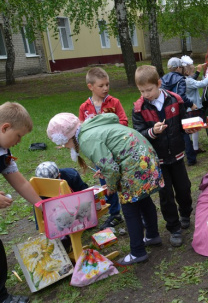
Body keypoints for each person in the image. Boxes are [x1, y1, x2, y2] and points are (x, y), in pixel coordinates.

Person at [46, 112, 164, 265]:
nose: (64, 147)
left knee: (129, 208)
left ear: (68, 137)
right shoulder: (90, 128)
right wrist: (107, 169)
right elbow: (112, 152)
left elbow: (111, 168)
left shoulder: (86, 139)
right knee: (143, 199)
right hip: (145, 157)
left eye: (63, 143)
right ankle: (152, 235)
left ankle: (138, 252)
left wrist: (111, 186)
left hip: (134, 164)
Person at [132, 65, 196, 247]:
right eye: (142, 91)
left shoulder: (175, 100)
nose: (146, 94)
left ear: (159, 84)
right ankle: (174, 227)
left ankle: (185, 213)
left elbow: (184, 122)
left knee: (184, 188)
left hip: (176, 155)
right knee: (165, 195)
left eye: (149, 89)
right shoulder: (138, 109)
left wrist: (191, 127)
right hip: (157, 160)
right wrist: (152, 131)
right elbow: (139, 134)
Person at [0, 102, 43, 303]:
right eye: (18, 136)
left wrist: (41, 205)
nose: (19, 141)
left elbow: (20, 182)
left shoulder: (4, 152)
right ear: (5, 128)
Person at [79, 67, 126, 230]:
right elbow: (81, 130)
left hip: (118, 151)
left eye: (107, 84)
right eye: (101, 85)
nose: (105, 88)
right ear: (90, 86)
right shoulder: (84, 108)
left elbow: (124, 122)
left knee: (125, 180)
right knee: (107, 184)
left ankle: (133, 209)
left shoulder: (114, 102)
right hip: (100, 155)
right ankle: (115, 214)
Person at [160, 57, 198, 166]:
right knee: (185, 132)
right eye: (181, 67)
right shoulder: (181, 79)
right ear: (178, 68)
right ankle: (191, 158)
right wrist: (191, 104)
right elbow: (181, 96)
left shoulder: (163, 79)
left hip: (166, 109)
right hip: (177, 109)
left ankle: (171, 155)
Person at [180, 55, 208, 155]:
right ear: (187, 71)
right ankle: (193, 149)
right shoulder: (188, 81)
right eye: (192, 71)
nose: (193, 72)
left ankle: (192, 148)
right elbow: (202, 84)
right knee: (193, 129)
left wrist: (197, 71)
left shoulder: (184, 79)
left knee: (191, 129)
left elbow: (193, 80)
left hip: (188, 109)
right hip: (192, 108)